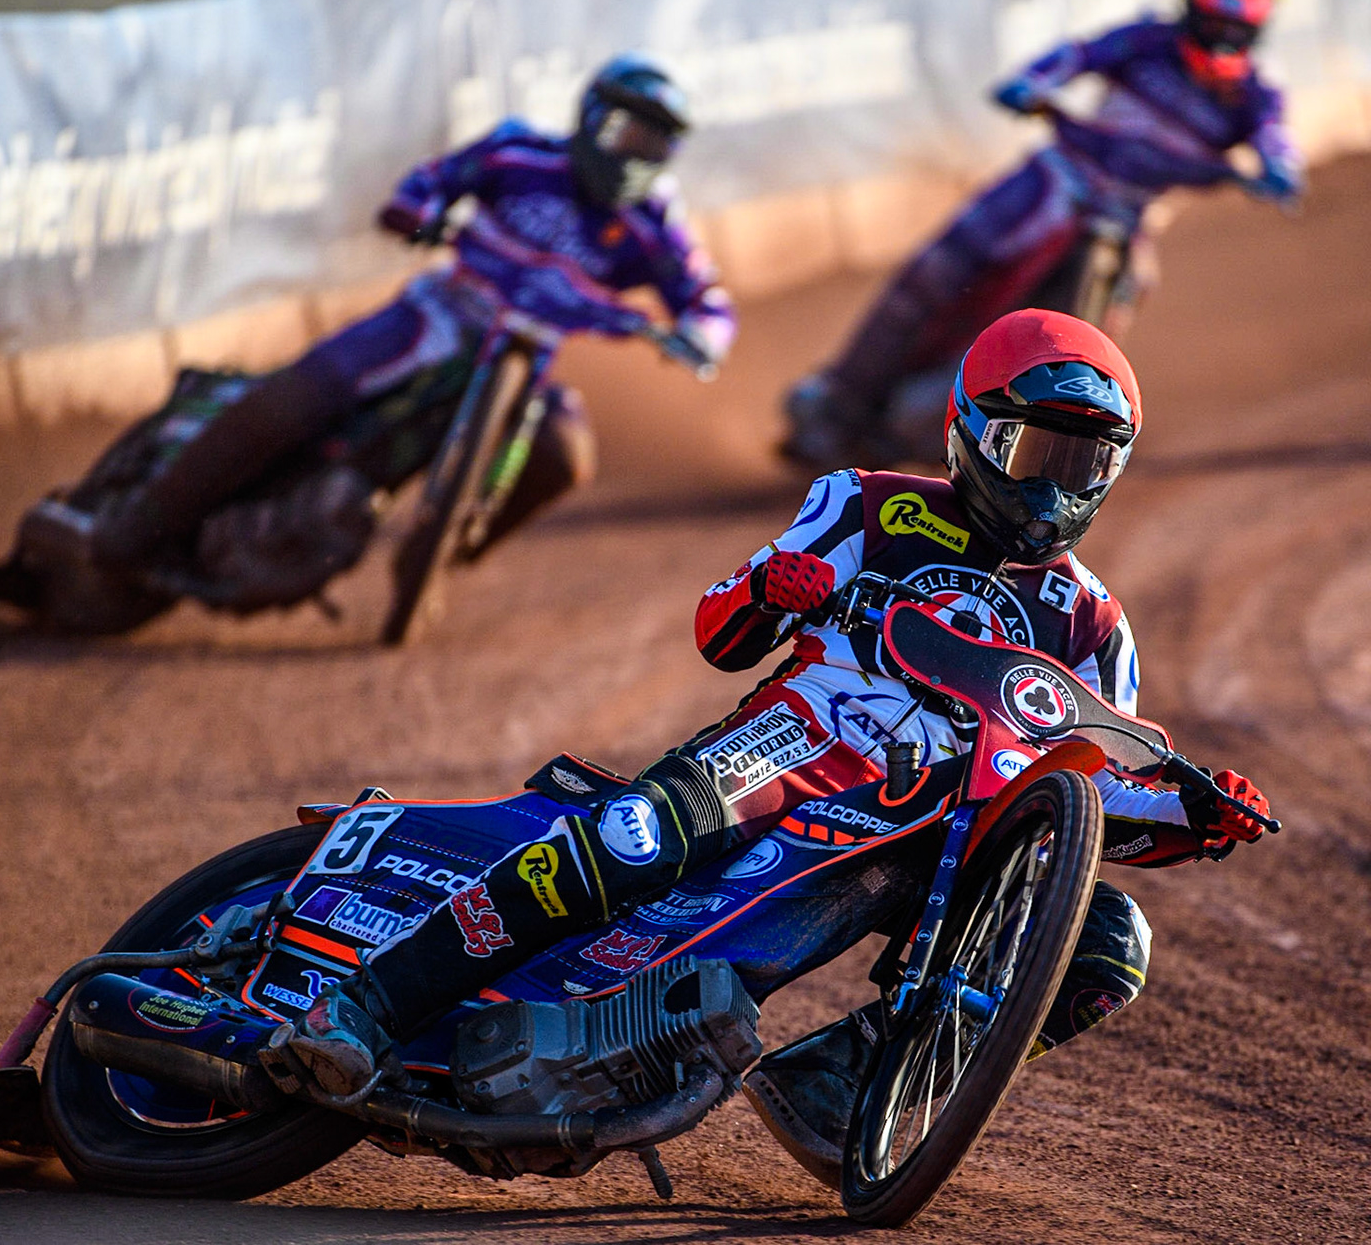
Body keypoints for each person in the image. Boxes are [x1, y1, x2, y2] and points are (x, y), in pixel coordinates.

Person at [264, 309, 1273, 1186]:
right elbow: (720, 631)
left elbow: (1092, 804)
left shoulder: (1096, 624)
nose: (1053, 488)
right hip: (795, 744)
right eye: (1032, 452)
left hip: (951, 825)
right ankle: (361, 1003)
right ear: (969, 431)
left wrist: (1194, 815)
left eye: (1082, 464)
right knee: (632, 839)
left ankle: (847, 1081)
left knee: (1108, 938)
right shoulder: (868, 503)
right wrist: (769, 585)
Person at [88, 54, 735, 577]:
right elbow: (427, 182)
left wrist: (700, 336)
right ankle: (138, 524)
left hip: (530, 358)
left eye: (654, 147)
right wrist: (420, 213)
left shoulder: (654, 224)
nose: (634, 158)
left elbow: (706, 300)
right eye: (626, 134)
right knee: (299, 395)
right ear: (591, 119)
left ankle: (461, 542)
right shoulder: (517, 153)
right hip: (441, 313)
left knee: (565, 453)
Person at [782, 0, 1300, 469]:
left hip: (1127, 217)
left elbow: (1274, 137)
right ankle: (838, 399)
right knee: (934, 272)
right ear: (1191, 8)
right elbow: (1077, 55)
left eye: (1235, 28)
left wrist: (1278, 167)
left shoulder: (1253, 96)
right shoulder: (1146, 41)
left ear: (1258, 28)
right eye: (1212, 21)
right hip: (1056, 177)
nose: (1219, 37)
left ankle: (1013, 443)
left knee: (1088, 341)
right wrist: (1031, 82)